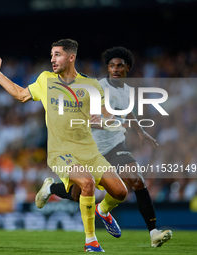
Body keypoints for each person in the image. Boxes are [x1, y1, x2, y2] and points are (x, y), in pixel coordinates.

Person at [0, 39, 128, 252]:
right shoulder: (45, 80)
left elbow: (106, 117)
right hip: (60, 152)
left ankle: (100, 209)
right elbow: (21, 94)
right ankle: (91, 241)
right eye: (51, 55)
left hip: (89, 151)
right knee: (86, 182)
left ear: (71, 57)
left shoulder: (91, 85)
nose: (52, 59)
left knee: (119, 193)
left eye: (58, 55)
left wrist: (111, 123)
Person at [35, 46, 172, 248]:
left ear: (128, 68)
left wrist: (140, 130)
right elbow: (86, 118)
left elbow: (128, 111)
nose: (115, 69)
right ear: (107, 68)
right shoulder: (95, 87)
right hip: (90, 149)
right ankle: (51, 188)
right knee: (77, 194)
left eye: (119, 66)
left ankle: (153, 232)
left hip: (116, 146)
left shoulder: (128, 91)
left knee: (136, 180)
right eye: (111, 66)